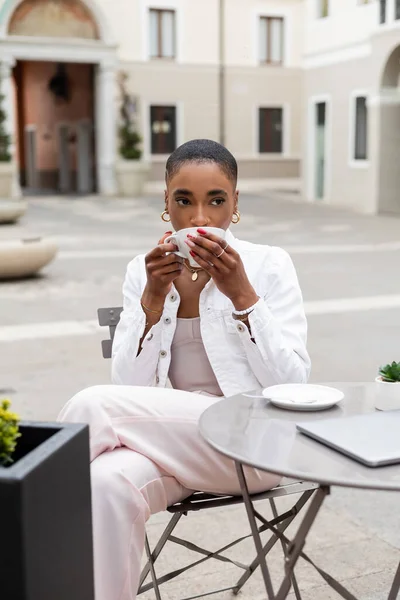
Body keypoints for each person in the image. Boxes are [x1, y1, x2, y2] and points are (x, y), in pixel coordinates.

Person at [58, 139, 311, 600]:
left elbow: (292, 385)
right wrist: (152, 299)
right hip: (170, 443)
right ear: (165, 205)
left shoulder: (269, 264)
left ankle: (30, 522)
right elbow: (132, 388)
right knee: (105, 483)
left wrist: (243, 297)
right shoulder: (143, 269)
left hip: (252, 446)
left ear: (235, 205)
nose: (199, 219)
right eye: (184, 200)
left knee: (92, 403)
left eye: (216, 201)